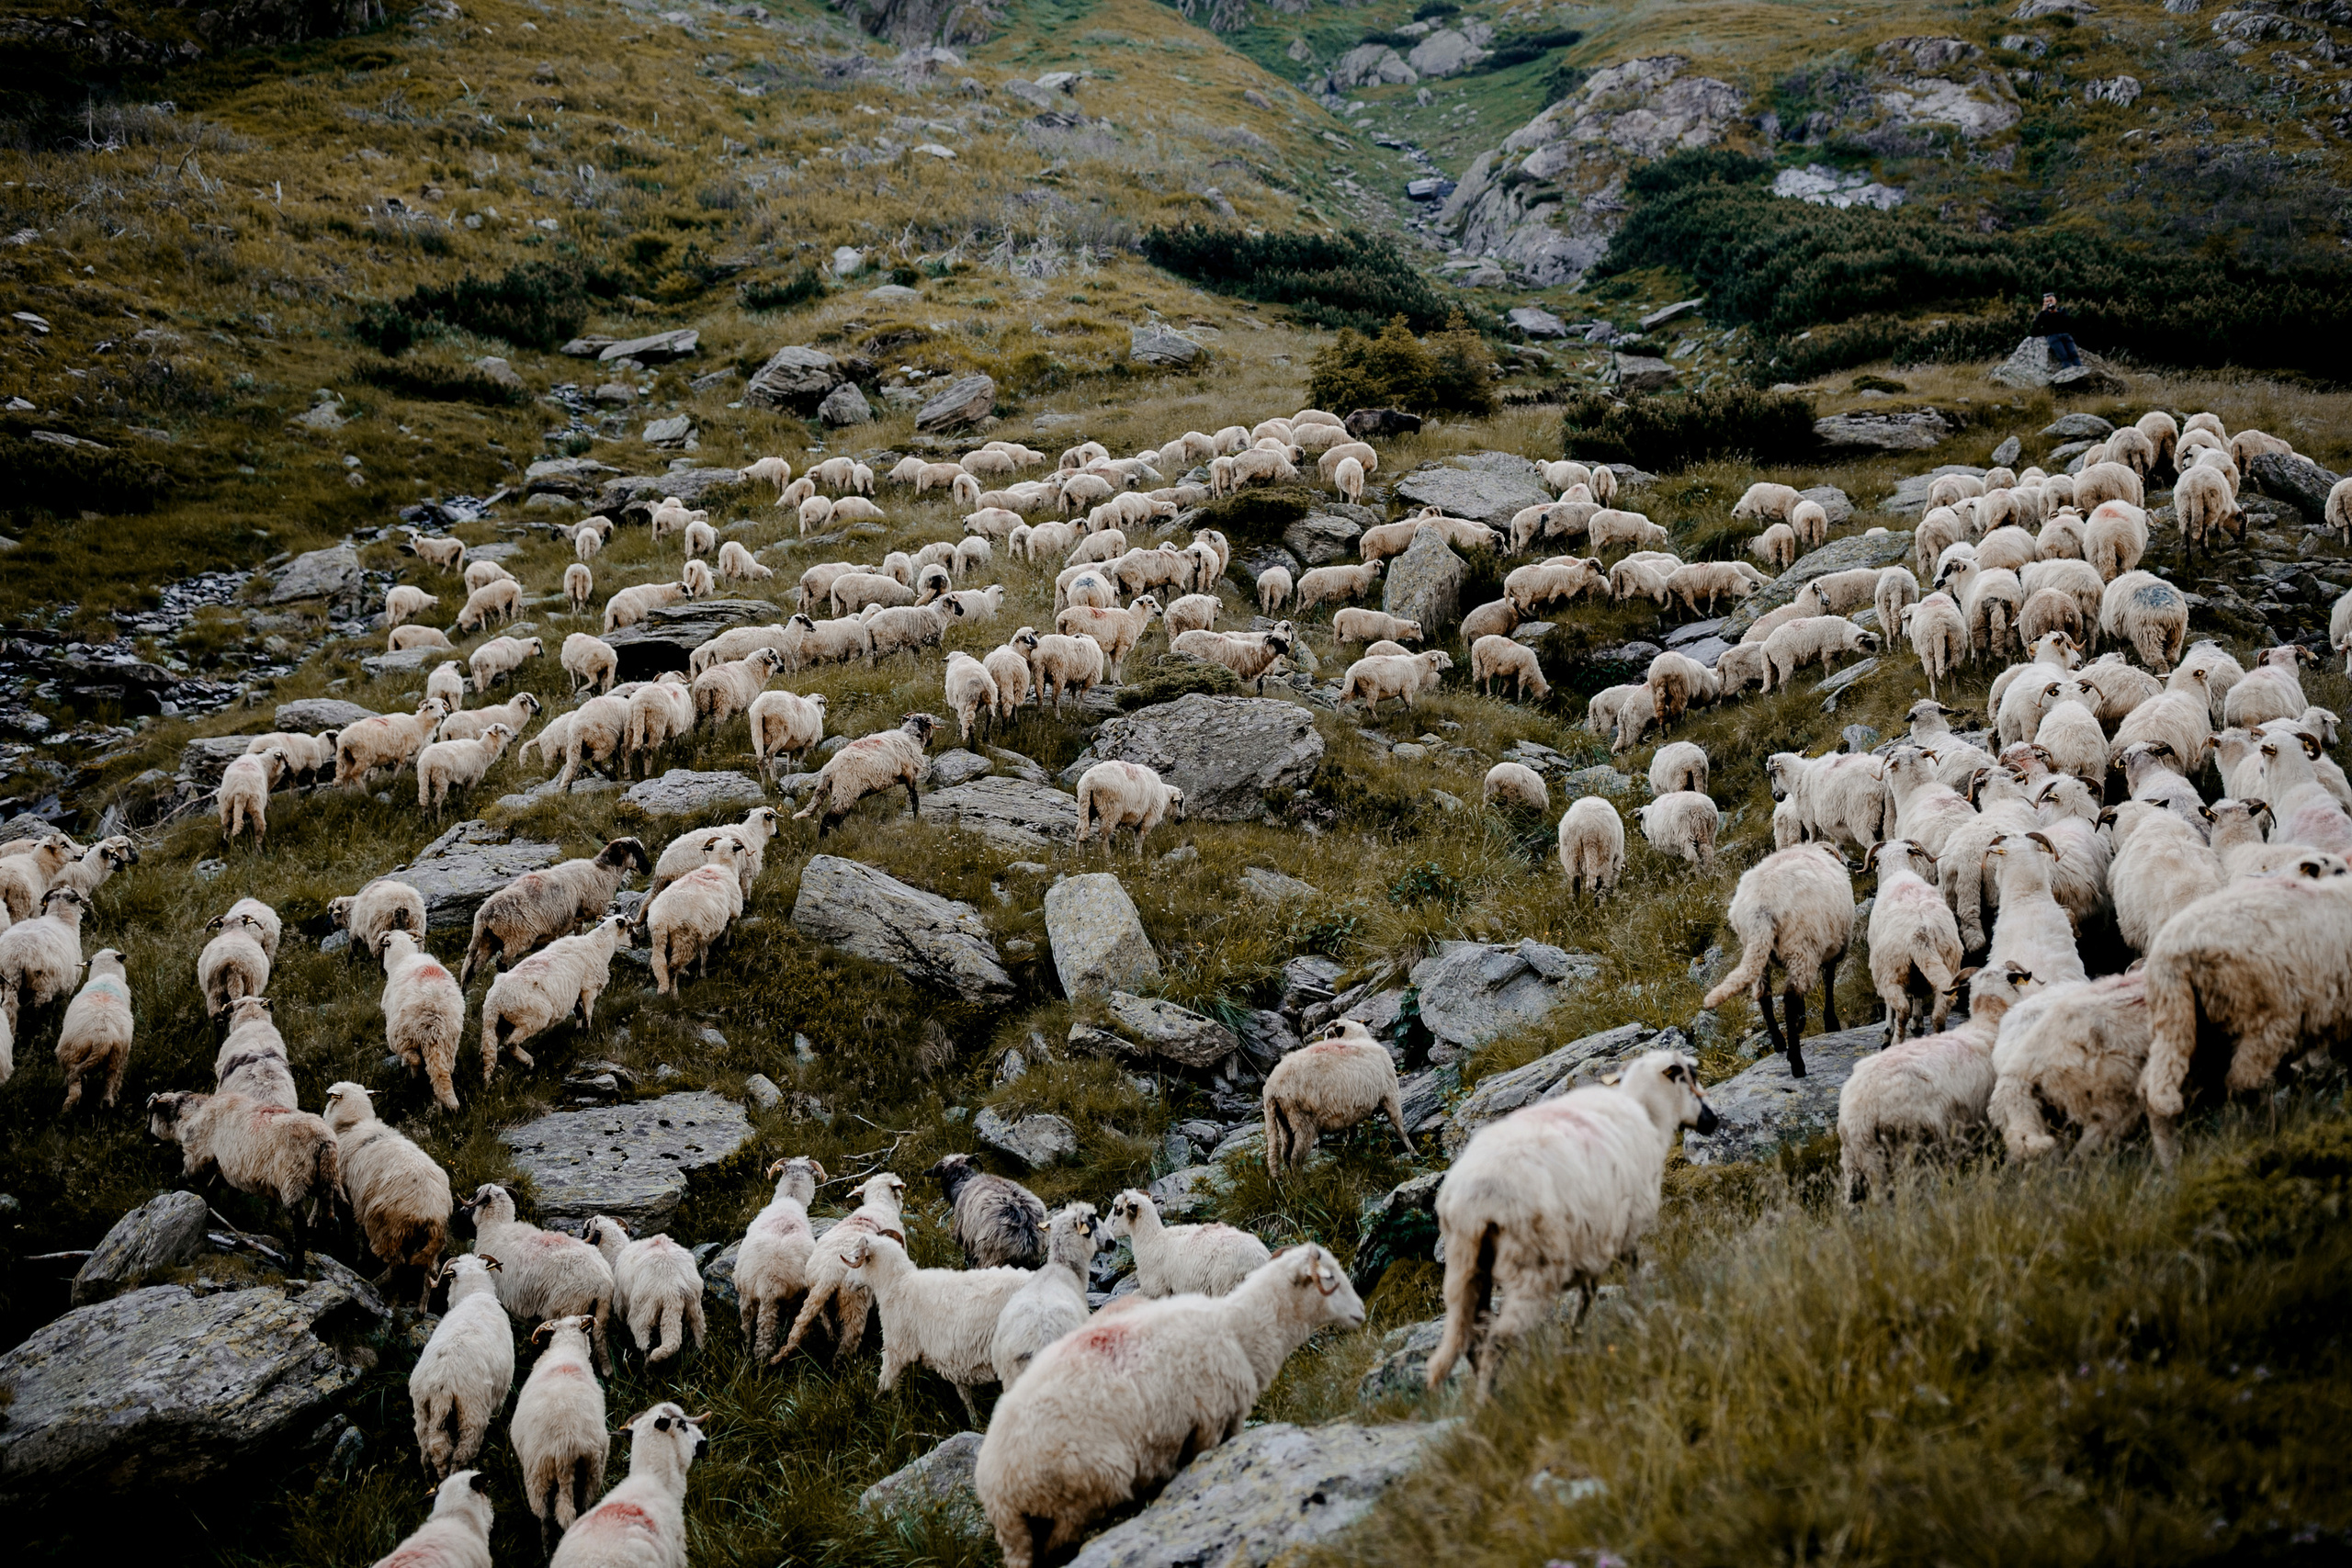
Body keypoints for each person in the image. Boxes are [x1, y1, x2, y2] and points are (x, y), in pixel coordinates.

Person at [2030, 292, 2081, 369]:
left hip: (2065, 335)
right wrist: (2043, 311)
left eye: (2050, 300)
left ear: (2055, 301)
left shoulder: (2062, 310)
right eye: (2046, 301)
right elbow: (2035, 328)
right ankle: (2068, 375)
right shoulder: (2043, 314)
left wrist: (2055, 312)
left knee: (2074, 354)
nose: (2049, 303)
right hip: (2053, 337)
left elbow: (2067, 322)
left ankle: (2080, 371)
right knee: (2064, 356)